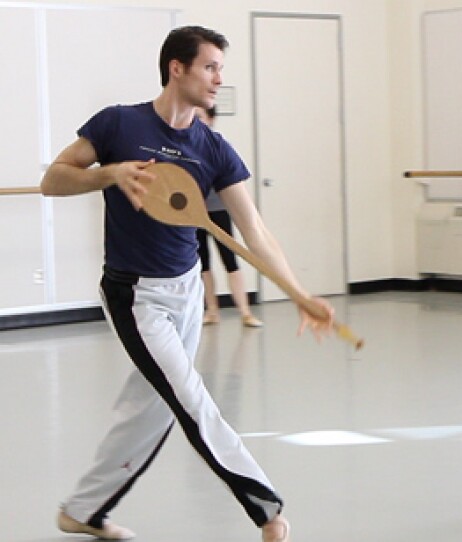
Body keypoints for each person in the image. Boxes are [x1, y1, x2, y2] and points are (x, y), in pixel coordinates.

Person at [40, 25, 334, 542]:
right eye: (211, 67)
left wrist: (298, 293)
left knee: (152, 405)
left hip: (185, 292)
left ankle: (83, 511)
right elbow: (54, 178)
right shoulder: (117, 124)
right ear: (177, 68)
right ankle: (267, 508)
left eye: (221, 67)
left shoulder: (214, 149)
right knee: (192, 399)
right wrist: (108, 175)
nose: (220, 78)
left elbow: (256, 232)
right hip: (134, 294)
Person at [194, 105, 263, 328]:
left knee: (230, 261)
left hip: (218, 211)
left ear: (211, 119)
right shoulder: (186, 147)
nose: (195, 121)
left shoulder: (217, 147)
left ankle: (245, 311)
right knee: (203, 264)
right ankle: (211, 310)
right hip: (194, 214)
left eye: (200, 117)